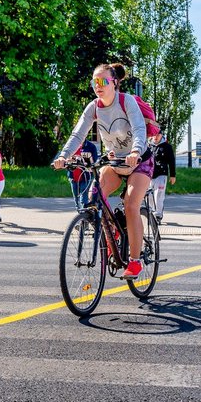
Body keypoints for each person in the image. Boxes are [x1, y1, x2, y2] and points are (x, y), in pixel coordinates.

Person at [53, 63, 152, 279]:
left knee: (131, 204)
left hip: (139, 162)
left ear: (114, 82)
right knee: (94, 196)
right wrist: (63, 156)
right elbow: (78, 134)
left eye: (103, 81)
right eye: (94, 82)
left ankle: (135, 261)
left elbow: (138, 128)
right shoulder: (94, 107)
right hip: (115, 162)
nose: (97, 86)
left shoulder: (127, 101)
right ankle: (112, 230)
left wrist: (136, 151)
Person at [149, 133, 176, 223]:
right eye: (154, 135)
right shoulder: (148, 146)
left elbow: (172, 161)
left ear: (162, 135)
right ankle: (151, 213)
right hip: (148, 174)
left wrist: (173, 175)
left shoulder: (167, 147)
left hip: (161, 174)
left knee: (158, 195)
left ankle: (158, 215)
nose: (155, 137)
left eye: (158, 135)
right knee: (149, 196)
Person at [67, 139, 100, 210]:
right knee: (76, 197)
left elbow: (94, 161)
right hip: (73, 175)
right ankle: (80, 214)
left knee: (83, 197)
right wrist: (68, 160)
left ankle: (84, 213)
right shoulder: (71, 145)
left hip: (86, 176)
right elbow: (66, 158)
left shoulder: (91, 146)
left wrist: (85, 161)